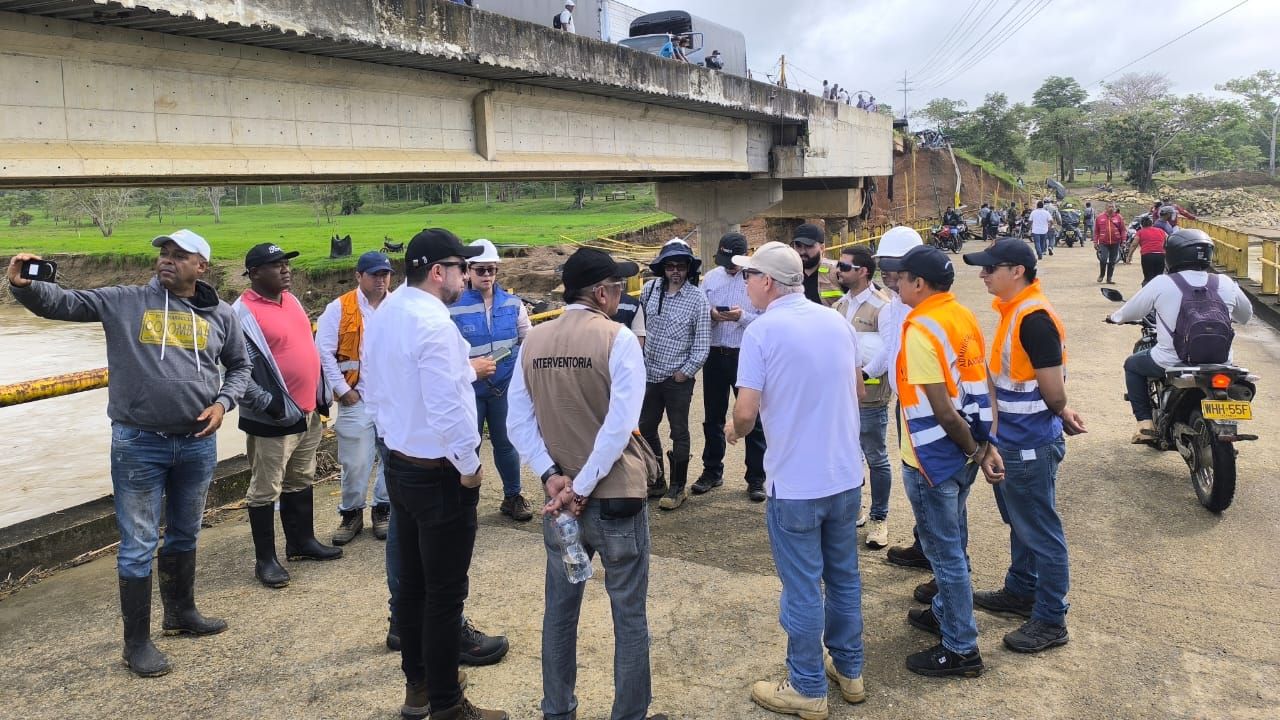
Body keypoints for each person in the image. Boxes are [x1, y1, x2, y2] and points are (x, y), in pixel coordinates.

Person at [7, 231, 250, 677]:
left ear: (202, 267)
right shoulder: (125, 300)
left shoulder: (221, 313)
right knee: (138, 543)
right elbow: (65, 304)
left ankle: (181, 614)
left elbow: (240, 366)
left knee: (185, 532)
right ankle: (135, 644)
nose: (167, 261)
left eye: (180, 256)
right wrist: (26, 287)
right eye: (164, 253)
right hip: (139, 442)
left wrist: (222, 404)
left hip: (198, 442)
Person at [506, 247, 668, 720]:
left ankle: (557, 710)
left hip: (559, 504)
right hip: (614, 497)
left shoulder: (533, 341)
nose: (620, 294)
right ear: (601, 292)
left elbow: (519, 421)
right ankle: (629, 714)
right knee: (629, 616)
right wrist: (583, 485)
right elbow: (620, 426)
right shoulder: (617, 339)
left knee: (559, 613)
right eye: (617, 287)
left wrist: (553, 476)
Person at [361, 229, 508, 720]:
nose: (468, 275)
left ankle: (419, 689)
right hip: (438, 472)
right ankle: (448, 704)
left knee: (413, 588)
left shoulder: (387, 311)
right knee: (444, 595)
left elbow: (377, 385)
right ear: (439, 272)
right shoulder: (436, 324)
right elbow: (449, 409)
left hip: (400, 462)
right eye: (462, 268)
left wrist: (392, 439)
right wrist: (470, 468)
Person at [727, 242, 867, 720]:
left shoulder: (762, 332)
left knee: (803, 586)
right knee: (844, 577)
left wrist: (733, 428)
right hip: (844, 474)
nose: (744, 283)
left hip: (796, 484)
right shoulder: (836, 320)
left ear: (767, 282)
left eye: (748, 276)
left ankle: (807, 685)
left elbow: (746, 413)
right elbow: (854, 390)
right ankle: (850, 670)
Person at [962, 240, 1086, 654]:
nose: (982, 275)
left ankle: (1051, 619)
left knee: (1041, 532)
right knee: (1023, 523)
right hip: (1016, 438)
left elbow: (1052, 390)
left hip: (1029, 443)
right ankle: (1021, 590)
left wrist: (1060, 409)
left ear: (1016, 271)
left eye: (989, 268)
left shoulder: (1032, 318)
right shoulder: (1015, 311)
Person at [893, 244, 1002, 678]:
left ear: (919, 283)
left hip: (932, 457)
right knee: (953, 539)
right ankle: (943, 612)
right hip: (963, 451)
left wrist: (978, 448)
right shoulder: (960, 315)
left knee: (945, 556)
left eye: (900, 278)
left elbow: (941, 409)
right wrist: (984, 443)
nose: (896, 284)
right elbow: (983, 380)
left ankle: (960, 648)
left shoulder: (921, 327)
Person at [234, 244, 342, 590]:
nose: (285, 270)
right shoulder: (241, 314)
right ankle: (265, 560)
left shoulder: (291, 301)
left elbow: (306, 348)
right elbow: (237, 371)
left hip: (307, 411)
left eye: (286, 264)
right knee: (265, 489)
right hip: (272, 418)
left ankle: (301, 543)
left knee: (300, 478)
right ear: (254, 274)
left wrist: (319, 393)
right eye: (275, 265)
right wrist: (270, 404)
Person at [1108, 229, 1252, 444]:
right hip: (1221, 362)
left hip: (1172, 361)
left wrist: (1114, 317)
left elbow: (1129, 313)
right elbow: (1246, 316)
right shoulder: (1225, 283)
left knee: (1132, 365)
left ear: (1173, 254)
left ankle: (1145, 424)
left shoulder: (1162, 283)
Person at [451, 239, 534, 522]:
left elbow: (528, 341)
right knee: (466, 444)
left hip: (502, 388)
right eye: (481, 270)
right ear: (468, 270)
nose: (486, 276)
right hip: (468, 389)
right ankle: (464, 502)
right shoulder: (452, 305)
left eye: (491, 270)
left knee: (506, 443)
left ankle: (513, 496)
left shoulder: (513, 304)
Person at [316, 251, 394, 546]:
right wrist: (342, 390)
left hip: (390, 399)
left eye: (385, 274)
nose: (381, 280)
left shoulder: (398, 306)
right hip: (355, 398)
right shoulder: (339, 308)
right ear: (359, 276)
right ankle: (351, 513)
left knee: (392, 458)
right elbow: (323, 351)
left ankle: (383, 510)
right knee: (356, 462)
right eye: (374, 274)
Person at [638, 239, 711, 509]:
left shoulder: (697, 299)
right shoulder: (649, 290)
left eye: (681, 266)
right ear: (663, 268)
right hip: (650, 373)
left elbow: (702, 343)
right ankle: (657, 480)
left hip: (677, 377)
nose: (675, 271)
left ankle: (678, 487)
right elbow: (639, 326)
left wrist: (685, 372)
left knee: (679, 431)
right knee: (645, 427)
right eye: (670, 266)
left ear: (688, 269)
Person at [695, 232, 767, 501]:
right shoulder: (712, 278)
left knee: (752, 417)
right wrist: (713, 315)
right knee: (712, 416)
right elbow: (700, 311)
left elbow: (765, 319)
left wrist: (742, 317)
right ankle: (712, 470)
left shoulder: (757, 279)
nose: (729, 266)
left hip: (744, 354)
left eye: (732, 261)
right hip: (715, 353)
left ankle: (756, 477)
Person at [833, 245, 894, 549]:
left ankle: (879, 518)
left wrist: (864, 374)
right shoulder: (842, 305)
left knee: (876, 457)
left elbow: (887, 350)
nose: (838, 272)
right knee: (849, 453)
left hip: (870, 396)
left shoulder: (882, 307)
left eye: (844, 267)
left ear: (863, 272)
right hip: (845, 395)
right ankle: (855, 507)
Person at [791, 222, 839, 305]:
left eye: (809, 246)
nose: (802, 251)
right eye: (798, 246)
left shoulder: (836, 272)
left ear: (822, 248)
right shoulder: (787, 274)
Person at [1093, 202, 1126, 284]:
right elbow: (1096, 231)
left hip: (1116, 242)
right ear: (1106, 208)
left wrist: (1124, 241)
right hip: (1103, 242)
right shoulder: (1100, 217)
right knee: (1103, 259)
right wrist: (1095, 242)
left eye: (1113, 207)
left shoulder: (1119, 217)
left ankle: (1109, 278)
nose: (1111, 208)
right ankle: (1101, 274)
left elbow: (1123, 230)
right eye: (1109, 207)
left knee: (1112, 261)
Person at [1134, 216, 1169, 286]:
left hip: (1147, 256)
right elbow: (1168, 240)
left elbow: (1134, 244)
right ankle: (1158, 293)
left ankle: (1148, 293)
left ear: (1142, 224)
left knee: (1148, 277)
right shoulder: (1161, 231)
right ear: (1152, 223)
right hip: (1160, 255)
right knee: (1159, 276)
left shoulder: (1140, 232)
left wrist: (1129, 256)